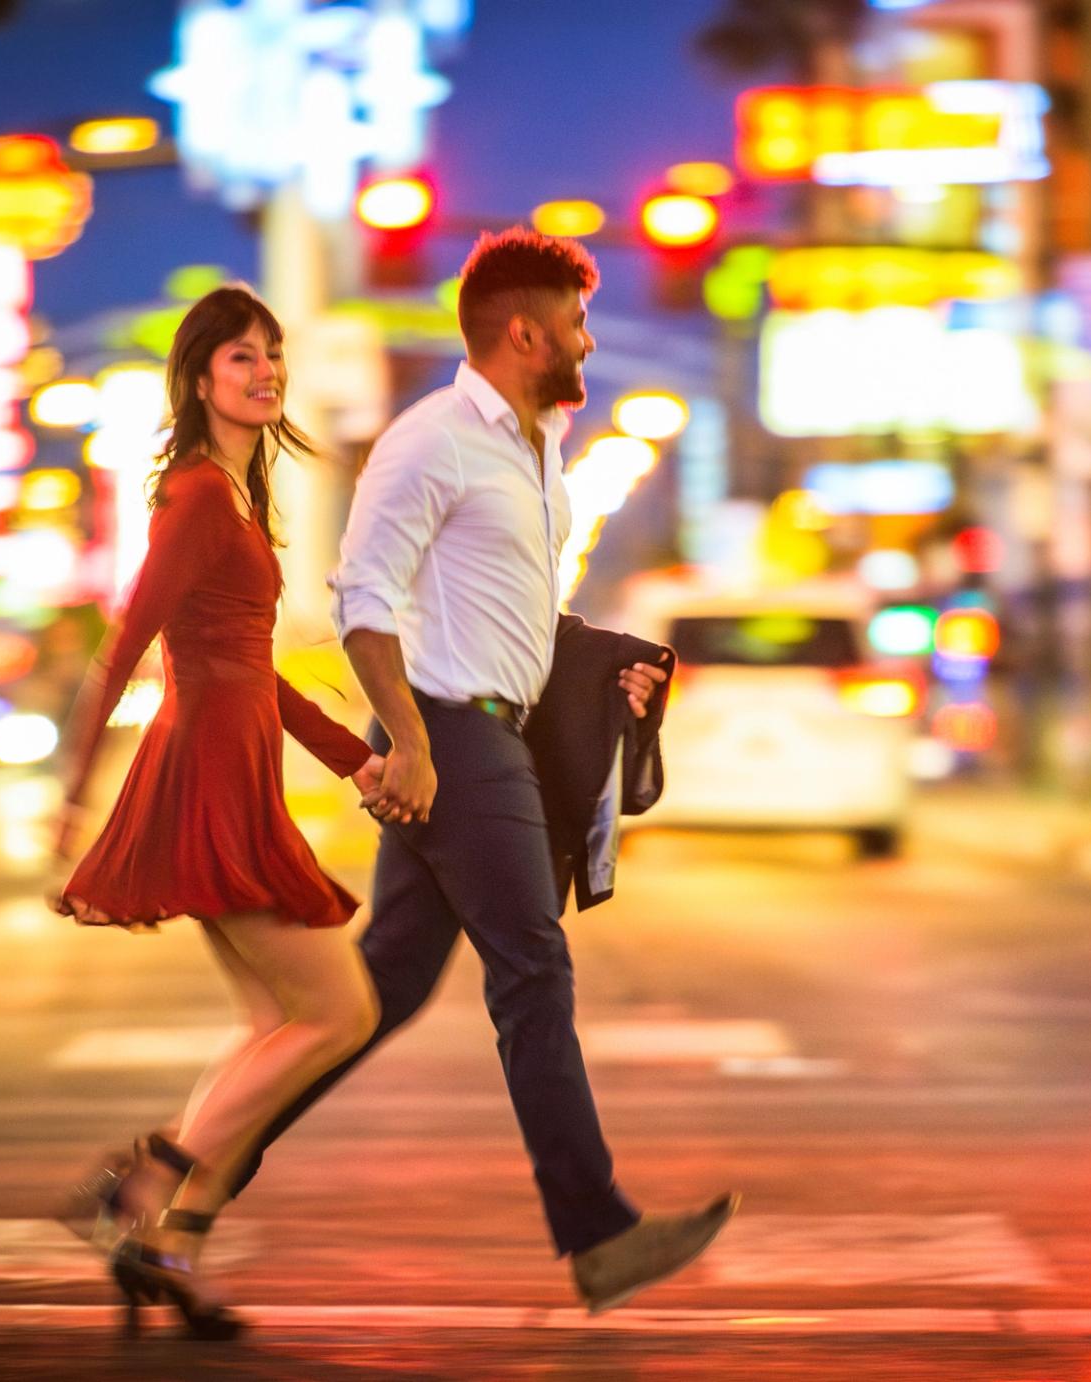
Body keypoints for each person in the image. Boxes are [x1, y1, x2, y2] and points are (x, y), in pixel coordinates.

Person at [230, 228, 736, 1313]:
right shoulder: (432, 443)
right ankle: (599, 1233)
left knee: (382, 991)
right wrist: (408, 743)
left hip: (486, 724)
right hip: (453, 735)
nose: (589, 341)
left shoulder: (536, 443)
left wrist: (604, 672)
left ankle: (181, 1169)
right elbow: (366, 600)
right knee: (532, 969)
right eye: (577, 323)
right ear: (524, 332)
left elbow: (512, 613)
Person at [50, 285, 384, 1339]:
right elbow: (129, 637)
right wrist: (72, 788)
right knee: (338, 1013)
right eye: (241, 357)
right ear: (200, 380)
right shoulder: (197, 495)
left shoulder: (240, 497)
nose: (265, 370)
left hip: (235, 766)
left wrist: (351, 760)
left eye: (272, 353)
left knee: (275, 1023)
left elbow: (255, 670)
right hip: (205, 776)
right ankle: (145, 1182)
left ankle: (167, 1246)